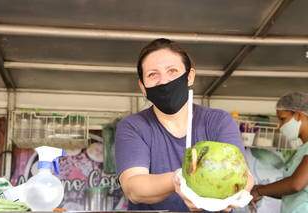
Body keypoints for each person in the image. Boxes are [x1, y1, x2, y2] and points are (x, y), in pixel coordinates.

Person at [115, 38, 253, 212]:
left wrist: (228, 199)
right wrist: (181, 179)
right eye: (152, 74)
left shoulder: (218, 121)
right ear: (142, 87)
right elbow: (133, 187)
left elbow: (245, 177)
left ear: (189, 76)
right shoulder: (134, 126)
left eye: (172, 71)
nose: (164, 81)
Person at [251, 92, 308, 213]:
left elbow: (296, 184)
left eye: (283, 119)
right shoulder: (302, 149)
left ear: (299, 115)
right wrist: (261, 189)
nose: (280, 126)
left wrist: (259, 191)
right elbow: (289, 192)